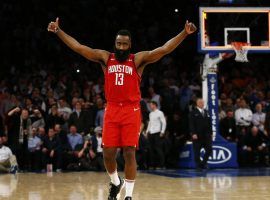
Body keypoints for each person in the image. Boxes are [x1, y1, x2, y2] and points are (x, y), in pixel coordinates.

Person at [48, 17, 196, 200]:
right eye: (119, 43)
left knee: (129, 151)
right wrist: (58, 31)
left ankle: (129, 196)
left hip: (131, 110)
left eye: (125, 44)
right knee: (108, 153)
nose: (121, 47)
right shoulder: (105, 58)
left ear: (130, 44)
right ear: (115, 43)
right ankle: (116, 182)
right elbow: (79, 48)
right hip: (111, 110)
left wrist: (184, 33)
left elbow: (164, 49)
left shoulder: (138, 59)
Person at [189, 98, 212, 170]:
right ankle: (198, 165)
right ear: (197, 104)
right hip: (197, 135)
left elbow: (209, 123)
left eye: (203, 102)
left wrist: (211, 133)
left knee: (209, 149)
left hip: (206, 135)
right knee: (197, 151)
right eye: (201, 102)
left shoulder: (206, 112)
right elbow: (191, 124)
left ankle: (203, 163)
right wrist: (193, 133)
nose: (202, 104)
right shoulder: (193, 112)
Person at [146, 101, 167, 169]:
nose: (150, 106)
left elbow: (164, 122)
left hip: (157, 133)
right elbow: (150, 123)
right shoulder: (151, 114)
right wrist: (147, 131)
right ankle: (153, 165)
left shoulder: (160, 113)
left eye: (151, 105)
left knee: (158, 149)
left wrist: (162, 131)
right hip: (151, 133)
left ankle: (161, 165)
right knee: (151, 150)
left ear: (155, 105)